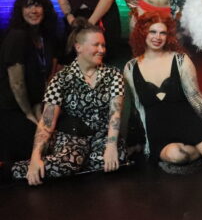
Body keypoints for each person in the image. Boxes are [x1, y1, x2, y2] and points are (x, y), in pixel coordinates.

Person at [12, 19, 125, 185]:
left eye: (103, 45)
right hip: (73, 135)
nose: (101, 50)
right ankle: (19, 169)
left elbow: (115, 114)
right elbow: (47, 122)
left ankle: (78, 163)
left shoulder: (114, 74)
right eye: (96, 45)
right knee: (69, 163)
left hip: (103, 136)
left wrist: (111, 146)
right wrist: (35, 157)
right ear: (78, 47)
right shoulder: (61, 79)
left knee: (111, 160)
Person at [124, 13, 202, 172]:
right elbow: (137, 107)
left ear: (168, 36)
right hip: (159, 129)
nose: (157, 37)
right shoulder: (131, 67)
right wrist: (142, 141)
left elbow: (196, 97)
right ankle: (201, 150)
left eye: (162, 33)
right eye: (153, 32)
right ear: (142, 33)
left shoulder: (180, 60)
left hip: (188, 121)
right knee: (177, 156)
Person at [0, 0, 59, 162]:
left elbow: (45, 77)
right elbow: (17, 83)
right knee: (35, 148)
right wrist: (29, 114)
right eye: (28, 6)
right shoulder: (17, 36)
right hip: (14, 109)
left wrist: (40, 112)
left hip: (34, 105)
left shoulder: (44, 38)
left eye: (37, 5)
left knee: (52, 139)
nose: (33, 10)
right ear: (20, 11)